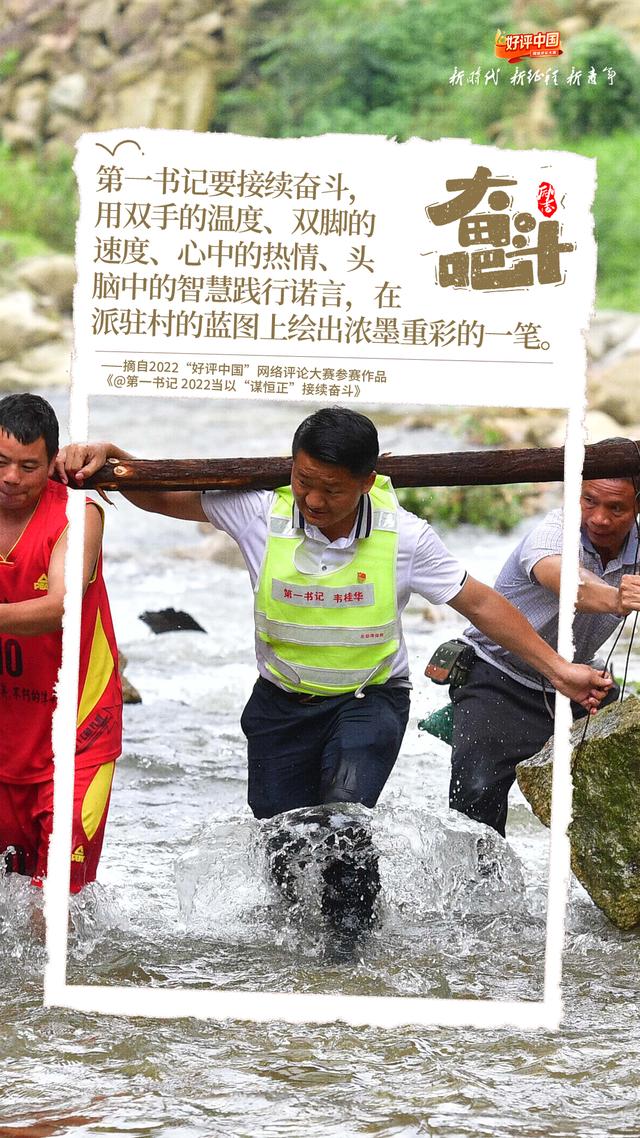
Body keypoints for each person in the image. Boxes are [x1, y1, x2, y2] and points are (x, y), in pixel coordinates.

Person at [57, 408, 610, 936]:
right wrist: (118, 461)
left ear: (368, 482)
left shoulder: (406, 536)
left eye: (332, 489)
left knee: (345, 818)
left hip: (369, 700)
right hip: (280, 702)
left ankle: (350, 948)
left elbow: (482, 604)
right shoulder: (258, 511)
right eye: (303, 482)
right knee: (284, 833)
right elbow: (165, 497)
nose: (314, 500)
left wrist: (560, 671)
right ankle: (300, 937)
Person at [448, 476, 640, 837]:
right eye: (589, 501)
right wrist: (616, 597)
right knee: (475, 795)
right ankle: (480, 889)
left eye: (616, 508)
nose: (599, 518)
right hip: (495, 674)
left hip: (576, 685)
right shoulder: (553, 532)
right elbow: (565, 577)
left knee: (621, 786)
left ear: (637, 507)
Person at [0, 394, 122, 894]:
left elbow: (63, 606)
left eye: (28, 466)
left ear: (52, 463)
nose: (11, 477)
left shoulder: (79, 512)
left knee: (49, 913)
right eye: (1, 463)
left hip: (75, 739)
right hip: (6, 735)